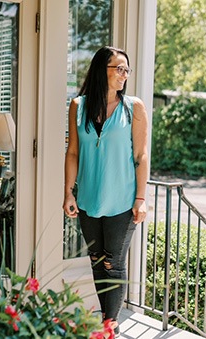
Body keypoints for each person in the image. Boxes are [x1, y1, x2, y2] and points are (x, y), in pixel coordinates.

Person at [63, 46, 148, 337]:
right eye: (119, 69)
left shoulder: (134, 107)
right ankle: (105, 323)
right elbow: (73, 152)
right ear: (103, 70)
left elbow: (141, 155)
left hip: (123, 201)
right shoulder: (78, 105)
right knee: (98, 261)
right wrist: (68, 193)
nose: (124, 75)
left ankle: (109, 328)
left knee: (113, 262)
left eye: (127, 70)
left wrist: (141, 198)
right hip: (88, 199)